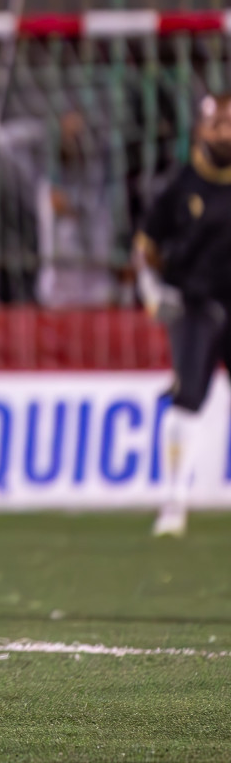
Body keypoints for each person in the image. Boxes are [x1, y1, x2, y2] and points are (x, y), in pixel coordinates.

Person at [135, 93, 231, 538]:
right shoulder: (179, 187)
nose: (227, 133)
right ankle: (174, 502)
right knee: (188, 397)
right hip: (194, 303)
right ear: (201, 129)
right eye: (220, 124)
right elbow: (145, 247)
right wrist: (152, 291)